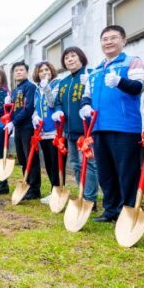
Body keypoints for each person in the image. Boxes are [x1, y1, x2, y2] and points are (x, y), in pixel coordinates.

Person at [80, 25, 144, 222]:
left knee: (126, 171)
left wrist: (120, 81)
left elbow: (138, 87)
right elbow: (87, 95)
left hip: (125, 127)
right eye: (105, 39)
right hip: (98, 127)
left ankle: (127, 210)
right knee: (105, 171)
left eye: (113, 38)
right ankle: (110, 210)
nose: (108, 42)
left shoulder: (132, 62)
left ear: (123, 41)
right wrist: (84, 106)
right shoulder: (95, 70)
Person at [52, 46, 99, 208]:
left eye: (73, 56)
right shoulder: (64, 82)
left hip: (87, 131)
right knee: (76, 164)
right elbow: (58, 101)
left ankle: (90, 199)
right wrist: (58, 111)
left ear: (81, 57)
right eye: (66, 58)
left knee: (90, 164)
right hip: (70, 131)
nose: (69, 60)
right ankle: (82, 191)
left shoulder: (91, 74)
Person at [31, 62, 63, 205]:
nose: (44, 72)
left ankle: (58, 191)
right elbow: (36, 107)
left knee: (56, 163)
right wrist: (35, 117)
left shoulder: (57, 84)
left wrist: (47, 88)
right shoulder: (37, 89)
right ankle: (53, 190)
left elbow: (52, 103)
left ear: (51, 70)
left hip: (55, 130)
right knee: (49, 163)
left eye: (47, 69)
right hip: (43, 131)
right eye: (41, 70)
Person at [10, 61, 41, 200]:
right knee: (22, 158)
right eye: (16, 70)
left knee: (31, 157)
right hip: (18, 127)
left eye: (21, 70)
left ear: (26, 72)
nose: (18, 72)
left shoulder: (30, 87)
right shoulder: (15, 90)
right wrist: (10, 121)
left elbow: (28, 108)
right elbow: (13, 109)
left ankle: (34, 189)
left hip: (27, 127)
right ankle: (27, 183)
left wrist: (14, 121)